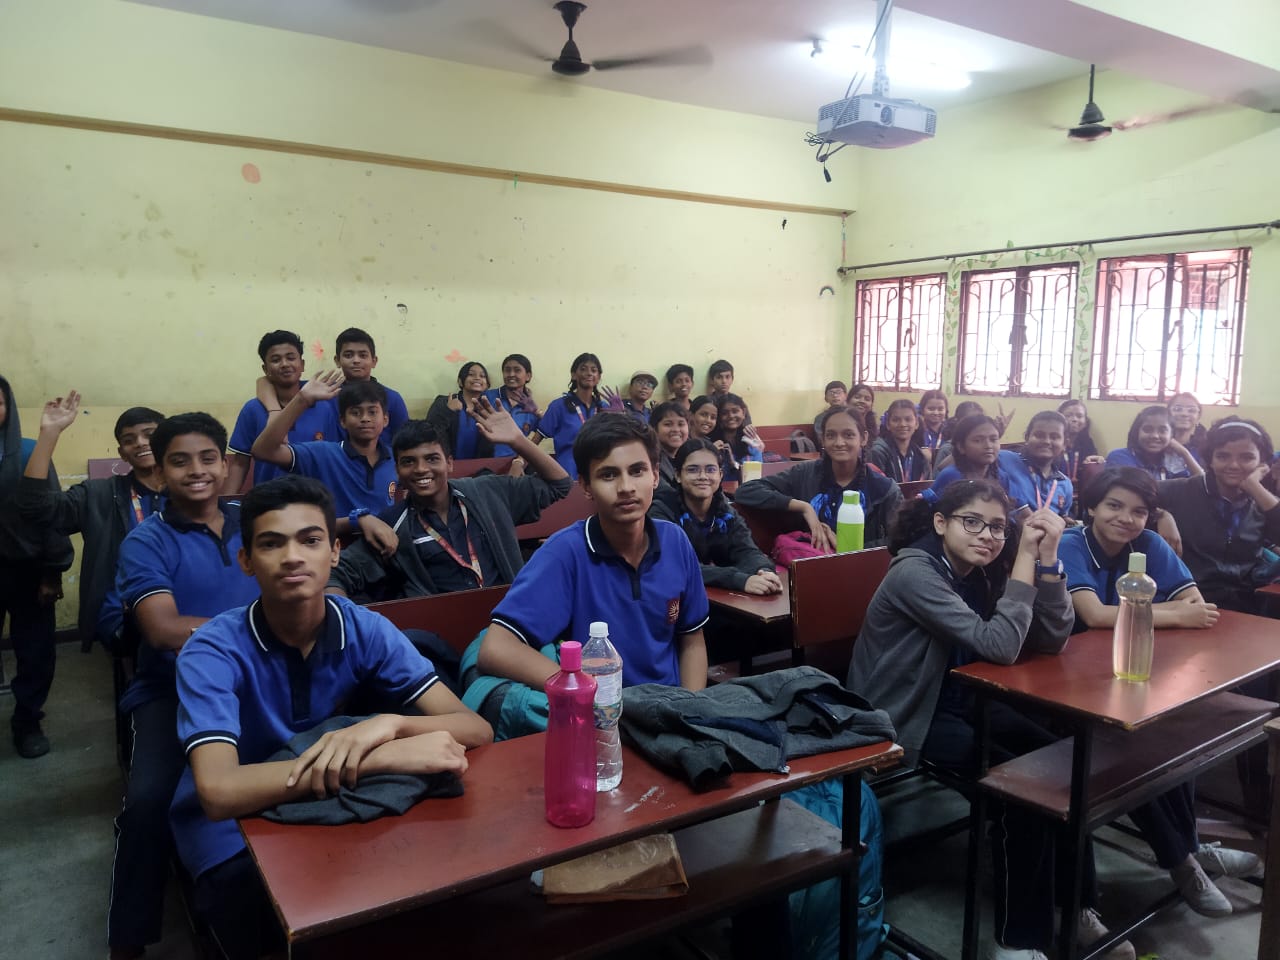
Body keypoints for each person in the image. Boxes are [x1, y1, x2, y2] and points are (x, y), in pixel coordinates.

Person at [172, 474, 492, 959]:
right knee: (250, 904)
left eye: (310, 540)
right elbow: (219, 791)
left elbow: (475, 728)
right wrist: (378, 758)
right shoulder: (213, 649)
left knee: (425, 885)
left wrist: (389, 725)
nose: (293, 556)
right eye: (271, 543)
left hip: (331, 800)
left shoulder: (365, 629)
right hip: (238, 822)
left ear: (335, 552)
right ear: (246, 561)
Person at [848, 480, 1135, 960]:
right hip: (908, 715)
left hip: (965, 699)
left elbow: (1050, 639)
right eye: (972, 522)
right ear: (941, 523)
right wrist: (1024, 557)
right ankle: (1018, 940)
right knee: (1020, 795)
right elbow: (1000, 645)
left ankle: (1075, 905)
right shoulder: (914, 572)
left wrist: (1047, 562)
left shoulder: (980, 572)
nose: (987, 535)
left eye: (999, 527)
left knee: (1065, 766)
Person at [1059, 466, 1259, 916]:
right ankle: (1184, 863)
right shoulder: (1072, 544)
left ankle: (1192, 848)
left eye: (1138, 511)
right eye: (1114, 506)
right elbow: (1094, 614)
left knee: (1174, 740)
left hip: (1132, 672)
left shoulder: (1147, 543)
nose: (1126, 518)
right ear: (1090, 507)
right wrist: (1172, 615)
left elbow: (1194, 602)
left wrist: (1170, 612)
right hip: (1071, 682)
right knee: (1134, 757)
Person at [110, 412, 261, 960]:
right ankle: (128, 937)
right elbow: (164, 630)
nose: (196, 471)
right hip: (171, 690)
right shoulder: (146, 541)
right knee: (148, 801)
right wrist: (266, 627)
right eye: (179, 461)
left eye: (207, 458)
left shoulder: (253, 520)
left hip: (259, 681)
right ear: (161, 468)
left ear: (225, 465)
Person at [469, 414, 710, 736]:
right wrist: (583, 693)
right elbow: (496, 649)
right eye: (608, 475)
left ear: (655, 475)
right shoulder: (565, 551)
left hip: (668, 713)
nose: (626, 487)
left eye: (637, 471)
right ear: (585, 486)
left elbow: (691, 641)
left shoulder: (675, 541)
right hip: (603, 721)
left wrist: (691, 712)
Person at [327, 401, 571, 601]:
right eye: (408, 462)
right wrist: (344, 619)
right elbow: (335, 574)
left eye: (432, 459)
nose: (421, 469)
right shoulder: (392, 524)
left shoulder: (488, 491)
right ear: (397, 471)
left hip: (508, 620)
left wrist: (518, 440)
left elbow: (560, 484)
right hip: (438, 633)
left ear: (450, 463)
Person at [19, 395, 166, 654]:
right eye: (129, 440)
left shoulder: (191, 493)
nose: (140, 443)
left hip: (182, 595)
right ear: (122, 453)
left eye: (149, 435)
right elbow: (36, 507)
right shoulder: (99, 495)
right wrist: (49, 434)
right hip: (123, 606)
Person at [0, 375, 74, 759]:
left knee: (35, 654)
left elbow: (51, 515)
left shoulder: (32, 451)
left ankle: (27, 721)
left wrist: (52, 571)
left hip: (26, 571)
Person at [249, 370, 399, 546]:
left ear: (386, 419)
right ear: (342, 421)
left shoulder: (396, 460)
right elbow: (263, 450)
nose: (365, 418)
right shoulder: (323, 453)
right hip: (333, 551)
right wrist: (302, 400)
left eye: (372, 412)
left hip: (386, 549)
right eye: (356, 413)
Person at [735, 405, 902, 551]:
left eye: (848, 435)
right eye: (831, 435)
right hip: (809, 563)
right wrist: (804, 507)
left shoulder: (884, 489)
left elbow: (899, 540)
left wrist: (847, 548)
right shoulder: (805, 474)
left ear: (863, 438)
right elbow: (746, 491)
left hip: (864, 569)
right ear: (822, 439)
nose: (839, 442)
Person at [1157, 417, 1280, 613]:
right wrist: (1161, 514)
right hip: (1187, 603)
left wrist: (1255, 487)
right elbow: (1120, 491)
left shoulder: (1263, 503)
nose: (1234, 465)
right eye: (1223, 456)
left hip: (1246, 606)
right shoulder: (1179, 490)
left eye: (1247, 457)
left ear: (1262, 462)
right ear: (1210, 460)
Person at [650, 438, 781, 596]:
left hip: (714, 596)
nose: (703, 476)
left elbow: (747, 550)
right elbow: (675, 566)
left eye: (710, 470)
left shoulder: (725, 511)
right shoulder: (662, 512)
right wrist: (738, 580)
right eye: (693, 470)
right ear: (678, 475)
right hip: (671, 598)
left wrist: (763, 571)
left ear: (720, 475)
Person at [225, 330, 340, 492]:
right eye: (276, 360)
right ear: (265, 369)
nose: (285, 364)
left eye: (291, 358)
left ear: (302, 364)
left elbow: (332, 458)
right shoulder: (252, 409)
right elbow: (240, 463)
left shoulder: (324, 407)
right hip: (268, 498)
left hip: (314, 499)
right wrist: (227, 501)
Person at [322, 327, 410, 444]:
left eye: (363, 355)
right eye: (348, 355)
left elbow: (405, 442)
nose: (356, 360)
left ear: (374, 361)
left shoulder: (393, 398)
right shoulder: (327, 397)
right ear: (337, 360)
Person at [530, 352, 609, 480]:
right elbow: (536, 440)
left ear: (598, 377)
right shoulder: (558, 406)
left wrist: (620, 416)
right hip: (568, 473)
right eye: (583, 369)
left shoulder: (605, 408)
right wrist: (519, 461)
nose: (589, 373)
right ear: (574, 375)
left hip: (599, 473)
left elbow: (617, 443)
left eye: (594, 370)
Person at [1105, 405, 1202, 481]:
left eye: (1162, 430)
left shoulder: (1172, 461)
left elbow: (1202, 485)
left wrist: (1184, 453)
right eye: (1147, 429)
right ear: (1137, 432)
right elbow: (1137, 491)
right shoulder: (1120, 456)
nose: (1155, 436)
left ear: (1171, 435)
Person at [426, 361, 493, 461]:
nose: (477, 378)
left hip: (480, 465)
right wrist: (448, 411)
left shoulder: (489, 408)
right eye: (471, 374)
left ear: (487, 384)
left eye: (482, 376)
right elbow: (429, 433)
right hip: (447, 463)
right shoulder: (444, 402)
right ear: (460, 381)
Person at [483, 353, 540, 457]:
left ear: (528, 376)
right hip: (487, 461)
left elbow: (551, 429)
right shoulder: (488, 397)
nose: (511, 374)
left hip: (517, 462)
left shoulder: (531, 407)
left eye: (517, 370)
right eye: (507, 370)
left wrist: (537, 412)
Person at [930, 415, 1001, 490]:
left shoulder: (1000, 475)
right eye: (978, 440)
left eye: (993, 439)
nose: (988, 446)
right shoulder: (951, 476)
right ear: (961, 447)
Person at [867, 398, 929, 482]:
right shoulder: (878, 452)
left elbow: (927, 484)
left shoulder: (920, 455)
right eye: (896, 420)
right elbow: (875, 485)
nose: (902, 424)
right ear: (888, 424)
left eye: (908, 419)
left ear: (916, 424)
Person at [710, 392, 764, 483]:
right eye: (724, 413)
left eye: (735, 411)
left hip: (748, 488)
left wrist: (733, 463)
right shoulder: (713, 443)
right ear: (718, 417)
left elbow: (756, 476)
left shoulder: (752, 441)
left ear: (744, 413)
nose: (731, 416)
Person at [1058, 399, 1099, 481]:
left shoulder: (1088, 443)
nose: (1074, 419)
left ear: (1085, 422)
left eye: (1079, 416)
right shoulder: (1053, 442)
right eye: (1068, 415)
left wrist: (1097, 463)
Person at [651, 400, 689, 488]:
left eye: (681, 424)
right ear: (655, 429)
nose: (676, 429)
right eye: (668, 424)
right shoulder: (652, 461)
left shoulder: (692, 456)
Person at [1168, 392, 1207, 464]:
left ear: (1198, 418)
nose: (1184, 414)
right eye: (1178, 409)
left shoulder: (1205, 449)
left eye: (1191, 410)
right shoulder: (1157, 444)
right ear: (1168, 413)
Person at [914, 389, 950, 468]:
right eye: (931, 409)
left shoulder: (951, 431)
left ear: (946, 410)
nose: (936, 413)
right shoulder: (915, 431)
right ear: (922, 409)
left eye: (940, 409)